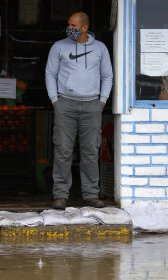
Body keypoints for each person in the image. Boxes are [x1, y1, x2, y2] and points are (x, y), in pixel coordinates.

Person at [45, 11, 113, 209]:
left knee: (91, 151)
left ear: (84, 27)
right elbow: (50, 73)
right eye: (69, 24)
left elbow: (107, 76)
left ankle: (91, 194)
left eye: (74, 25)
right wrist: (55, 100)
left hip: (92, 105)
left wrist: (102, 101)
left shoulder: (100, 48)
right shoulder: (59, 46)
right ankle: (60, 195)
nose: (70, 28)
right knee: (63, 150)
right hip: (65, 104)